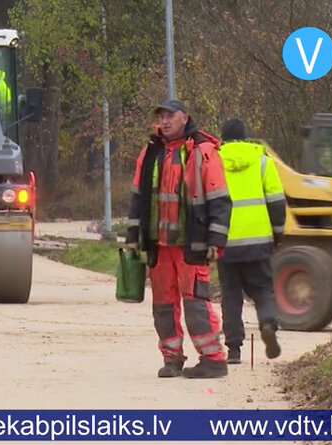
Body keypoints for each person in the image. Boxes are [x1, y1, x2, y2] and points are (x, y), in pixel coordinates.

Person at [126, 99, 233, 379]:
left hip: (191, 243)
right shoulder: (150, 152)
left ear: (185, 117)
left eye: (170, 115)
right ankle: (171, 358)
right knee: (162, 306)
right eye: (161, 116)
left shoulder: (203, 152)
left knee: (196, 303)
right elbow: (138, 198)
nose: (165, 120)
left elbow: (219, 200)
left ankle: (213, 359)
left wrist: (215, 241)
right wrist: (133, 238)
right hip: (158, 246)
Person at [217, 118, 285, 364]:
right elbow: (277, 202)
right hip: (258, 241)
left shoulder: (214, 162)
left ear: (222, 139)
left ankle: (234, 350)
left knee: (231, 295)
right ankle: (267, 323)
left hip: (225, 243)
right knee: (263, 291)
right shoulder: (263, 162)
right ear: (245, 137)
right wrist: (278, 235)